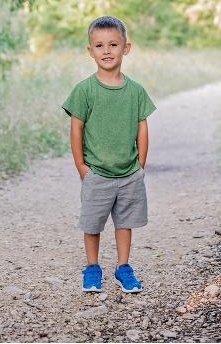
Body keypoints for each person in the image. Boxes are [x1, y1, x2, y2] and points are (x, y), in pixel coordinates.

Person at [62, 16, 156, 293]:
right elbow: (76, 129)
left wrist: (141, 164)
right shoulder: (85, 89)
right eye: (100, 45)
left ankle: (123, 267)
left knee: (125, 222)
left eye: (113, 44)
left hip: (129, 173)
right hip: (96, 172)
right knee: (92, 223)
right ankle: (92, 268)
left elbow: (142, 127)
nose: (107, 51)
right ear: (90, 51)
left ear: (125, 48)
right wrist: (81, 167)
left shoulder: (136, 91)